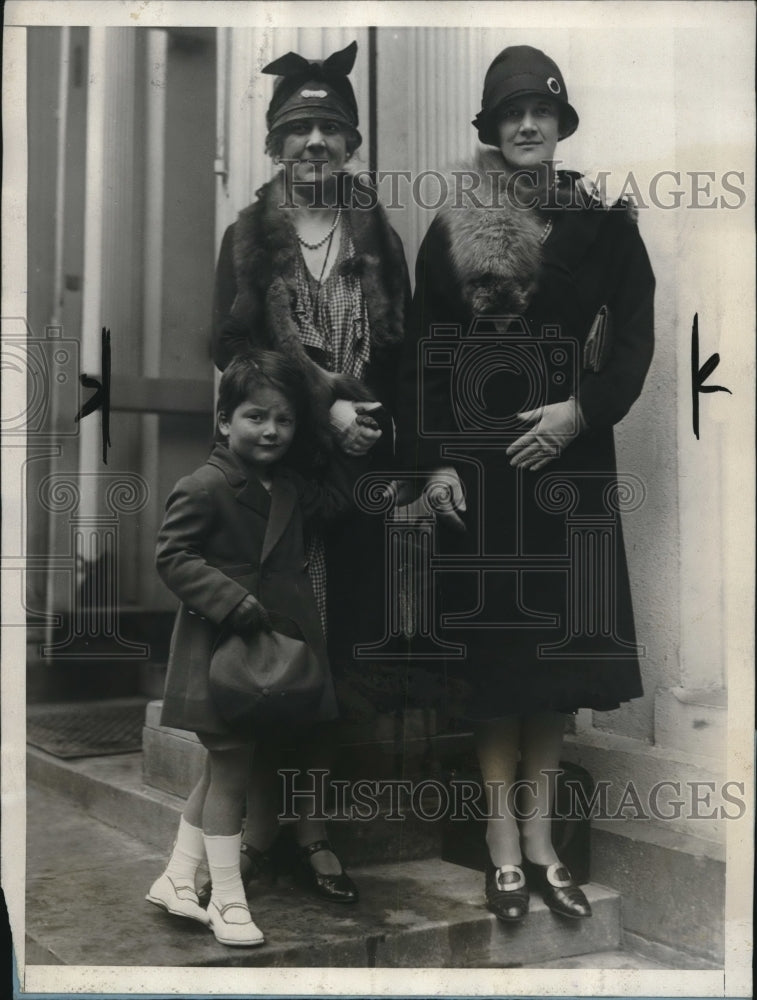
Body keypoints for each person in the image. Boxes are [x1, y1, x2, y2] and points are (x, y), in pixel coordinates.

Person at [395, 45, 655, 923]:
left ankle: (543, 843)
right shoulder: (452, 229)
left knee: (553, 666)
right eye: (511, 114)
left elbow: (633, 344)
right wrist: (432, 461)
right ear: (492, 129)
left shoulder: (603, 226)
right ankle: (500, 843)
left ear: (560, 124)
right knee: (495, 663)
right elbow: (422, 356)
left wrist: (578, 413)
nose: (527, 126)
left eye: (540, 112)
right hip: (481, 477)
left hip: (567, 470)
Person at [210, 41, 410, 897]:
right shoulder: (247, 240)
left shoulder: (378, 237)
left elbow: (404, 356)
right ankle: (258, 829)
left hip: (356, 480)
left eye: (331, 130)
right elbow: (230, 351)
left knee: (338, 653)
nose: (316, 142)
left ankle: (314, 827)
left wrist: (378, 428)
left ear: (352, 144)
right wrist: (319, 405)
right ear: (275, 145)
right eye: (298, 130)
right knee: (269, 648)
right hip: (276, 480)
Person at [146, 350, 365, 946]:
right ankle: (228, 899)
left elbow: (337, 502)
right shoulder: (205, 485)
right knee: (231, 773)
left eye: (284, 420)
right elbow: (172, 556)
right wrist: (230, 598)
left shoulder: (287, 486)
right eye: (255, 417)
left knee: (224, 766)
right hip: (219, 646)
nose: (271, 430)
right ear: (224, 421)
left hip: (268, 653)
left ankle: (176, 878)